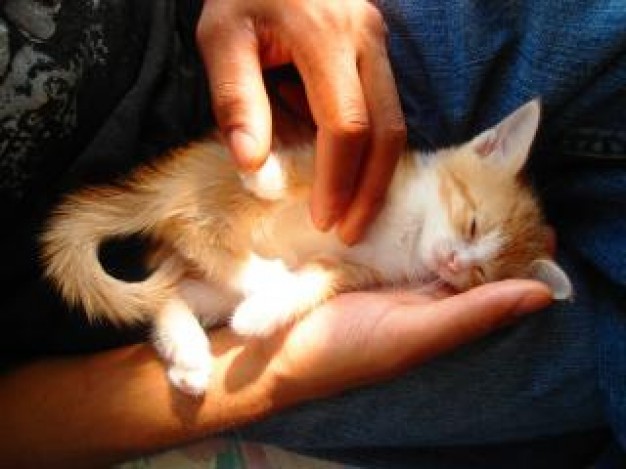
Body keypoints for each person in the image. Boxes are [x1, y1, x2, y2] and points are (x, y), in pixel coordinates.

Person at [0, 0, 623, 467]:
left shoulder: (444, 205)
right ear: (487, 147)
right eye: (469, 231)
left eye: (477, 270)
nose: (457, 264)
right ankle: (175, 303)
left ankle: (176, 301)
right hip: (207, 211)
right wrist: (281, 372)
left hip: (236, 42)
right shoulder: (432, 184)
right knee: (585, 374)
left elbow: (336, 272)